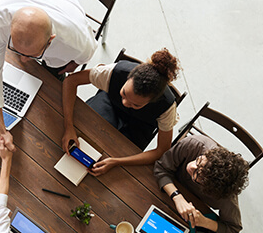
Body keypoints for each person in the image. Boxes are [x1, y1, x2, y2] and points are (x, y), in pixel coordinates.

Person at [0, 0, 98, 152]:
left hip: (64, 6)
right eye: (16, 49)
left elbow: (83, 58)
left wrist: (73, 64)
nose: (23, 60)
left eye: (30, 55)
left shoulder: (77, 44)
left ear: (51, 41)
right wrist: (0, 129)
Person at [62, 48, 180, 176]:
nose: (125, 103)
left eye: (136, 104)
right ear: (128, 78)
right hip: (109, 104)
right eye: (124, 93)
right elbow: (70, 81)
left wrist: (116, 162)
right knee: (85, 133)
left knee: (118, 161)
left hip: (140, 125)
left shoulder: (166, 107)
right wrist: (68, 126)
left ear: (152, 101)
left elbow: (162, 150)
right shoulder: (114, 72)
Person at [153, 135, 250, 233]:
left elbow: (233, 228)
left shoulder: (226, 197)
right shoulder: (194, 144)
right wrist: (177, 197)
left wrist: (204, 222)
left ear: (209, 188)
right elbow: (161, 168)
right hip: (163, 190)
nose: (192, 166)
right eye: (199, 161)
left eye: (198, 174)